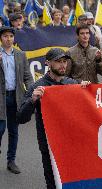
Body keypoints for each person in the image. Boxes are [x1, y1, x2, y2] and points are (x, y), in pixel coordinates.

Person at [17, 48, 90, 189]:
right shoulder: (37, 87)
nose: (63, 65)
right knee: (53, 182)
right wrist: (32, 100)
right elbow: (21, 118)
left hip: (71, 142)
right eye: (58, 62)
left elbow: (88, 109)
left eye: (64, 61)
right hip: (49, 144)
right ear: (48, 63)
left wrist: (87, 90)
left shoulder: (72, 84)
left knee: (72, 180)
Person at [0, 26, 34, 174]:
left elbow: (27, 76)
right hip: (1, 97)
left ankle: (11, 160)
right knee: (0, 129)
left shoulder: (20, 55)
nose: (9, 39)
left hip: (15, 96)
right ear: (1, 38)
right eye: (6, 36)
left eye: (11, 36)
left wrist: (32, 90)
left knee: (14, 130)